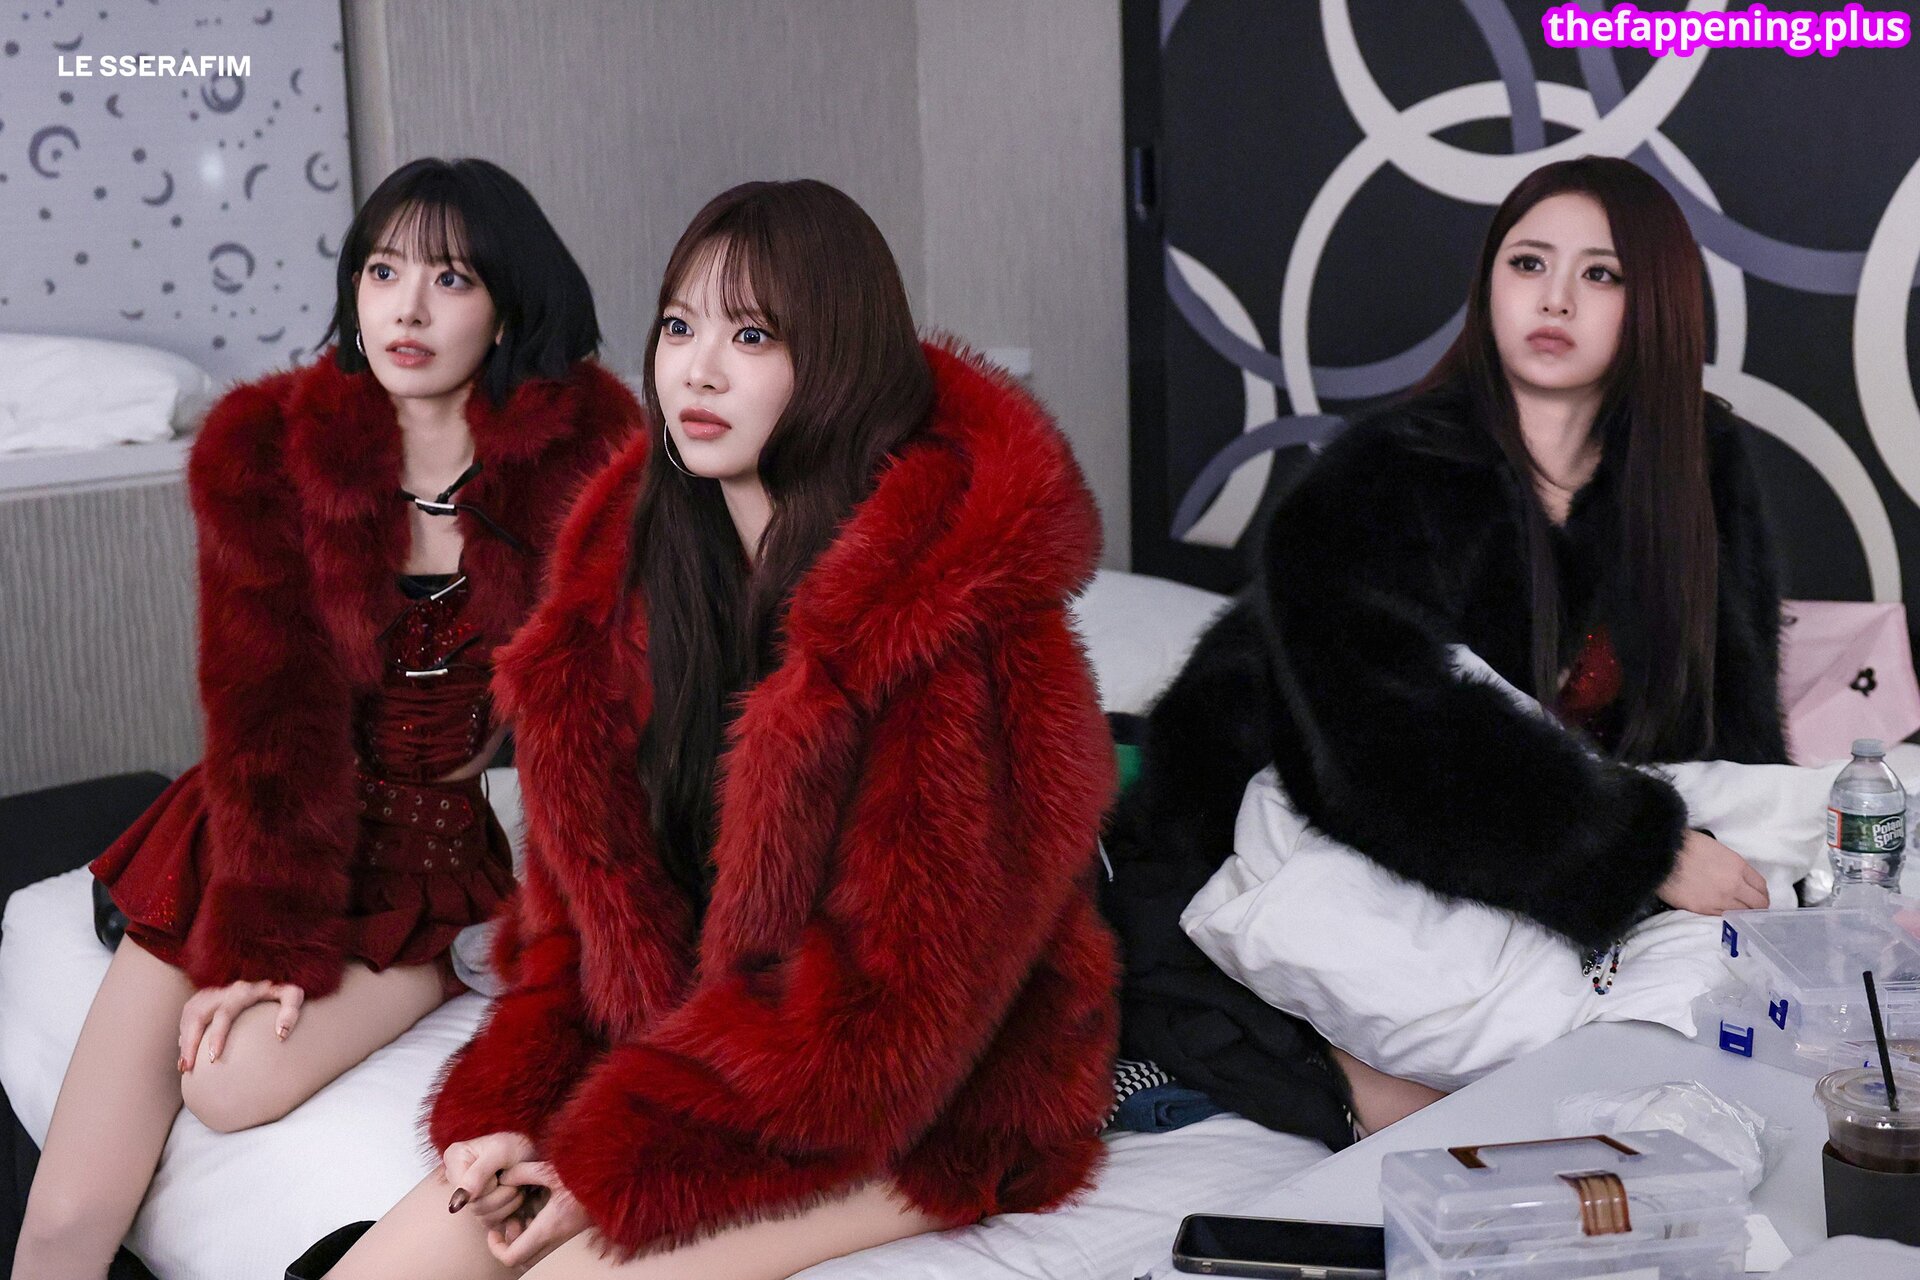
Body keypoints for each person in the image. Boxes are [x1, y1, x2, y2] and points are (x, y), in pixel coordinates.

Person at [323, 178, 1119, 1279]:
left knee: (568, 1273)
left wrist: (621, 1157)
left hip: (930, 1102)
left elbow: (893, 1016)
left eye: (752, 336)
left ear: (838, 360)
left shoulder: (950, 623)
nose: (697, 371)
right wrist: (511, 1108)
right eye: (678, 327)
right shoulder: (629, 573)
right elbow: (575, 928)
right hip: (702, 1058)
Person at [15, 157, 641, 1280]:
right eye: (382, 271)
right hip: (256, 833)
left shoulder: (589, 470)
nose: (408, 308)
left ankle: (446, 961)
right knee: (67, 1216)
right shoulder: (266, 450)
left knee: (232, 1083)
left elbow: (605, 731)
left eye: (451, 278)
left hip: (428, 862)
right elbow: (264, 717)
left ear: (508, 306)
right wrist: (260, 946)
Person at [1104, 155, 1788, 1144]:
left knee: (1724, 1033)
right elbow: (1383, 746)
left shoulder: (1698, 472)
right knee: (1445, 1106)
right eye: (1528, 263)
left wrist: (1737, 872)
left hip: (1523, 853)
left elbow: (1733, 726)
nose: (1555, 298)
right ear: (1489, 287)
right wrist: (1639, 849)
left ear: (1657, 304)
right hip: (1277, 821)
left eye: (1600, 273)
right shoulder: (1384, 475)